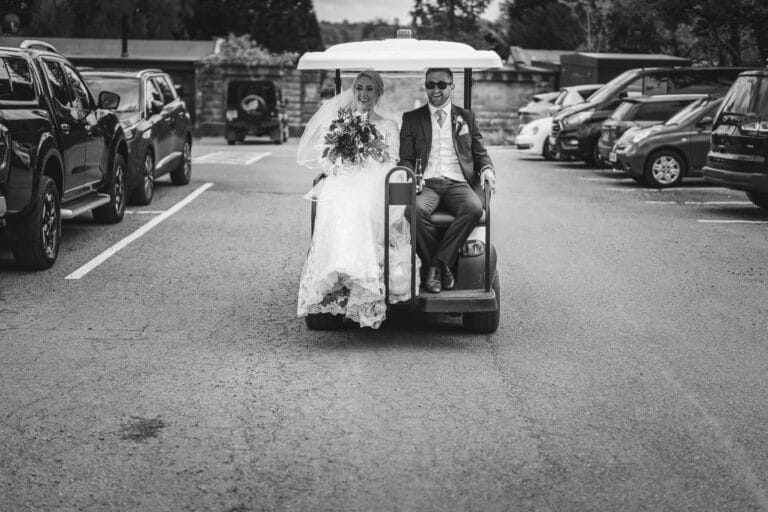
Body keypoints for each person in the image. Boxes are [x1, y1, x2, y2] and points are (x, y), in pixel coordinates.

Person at [296, 70, 417, 329]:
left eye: (370, 89)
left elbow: (391, 159)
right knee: (337, 196)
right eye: (359, 88)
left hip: (376, 177)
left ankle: (361, 273)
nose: (364, 94)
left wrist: (367, 155)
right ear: (354, 90)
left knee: (362, 200)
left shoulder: (388, 125)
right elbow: (328, 160)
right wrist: (347, 159)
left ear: (378, 94)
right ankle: (340, 269)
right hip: (348, 175)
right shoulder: (342, 121)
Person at [399, 67, 496, 293]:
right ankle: (443, 265)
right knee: (412, 210)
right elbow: (405, 159)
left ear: (452, 86)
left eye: (442, 85)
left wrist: (488, 170)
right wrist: (409, 175)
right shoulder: (412, 118)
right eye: (430, 85)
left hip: (457, 183)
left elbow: (480, 153)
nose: (436, 90)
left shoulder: (467, 117)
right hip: (428, 183)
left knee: (474, 208)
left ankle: (435, 266)